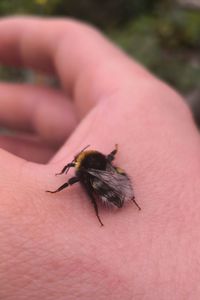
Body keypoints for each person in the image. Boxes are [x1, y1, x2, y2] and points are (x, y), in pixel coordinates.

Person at [0, 16, 199, 300]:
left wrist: (61, 190)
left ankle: (102, 207)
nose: (74, 163)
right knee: (115, 174)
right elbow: (112, 164)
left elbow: (81, 175)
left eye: (75, 162)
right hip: (117, 184)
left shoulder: (84, 170)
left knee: (92, 186)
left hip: (111, 191)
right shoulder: (98, 161)